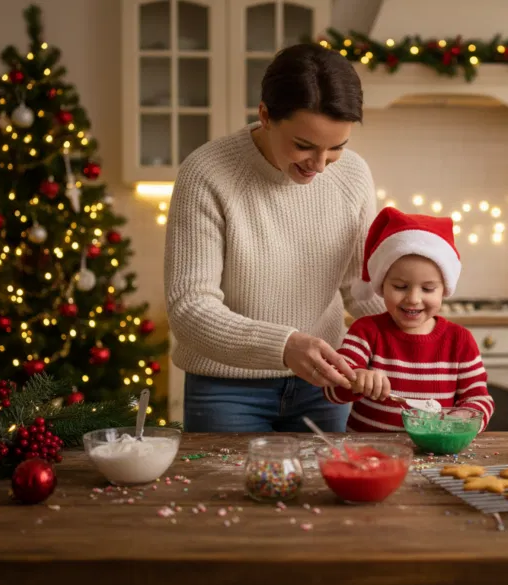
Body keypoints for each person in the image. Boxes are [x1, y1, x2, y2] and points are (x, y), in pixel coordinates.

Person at [164, 43, 385, 433]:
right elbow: (189, 308)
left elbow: (360, 288)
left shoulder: (353, 175)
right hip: (226, 391)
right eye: (304, 146)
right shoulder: (206, 174)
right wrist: (284, 346)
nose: (319, 165)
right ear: (265, 115)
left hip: (327, 385)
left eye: (336, 147)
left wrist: (425, 334)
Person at [323, 207, 495, 431]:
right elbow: (332, 390)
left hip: (434, 454)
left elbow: (479, 398)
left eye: (428, 288)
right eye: (400, 286)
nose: (413, 299)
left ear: (444, 290)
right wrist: (356, 378)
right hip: (369, 455)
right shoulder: (365, 331)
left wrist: (465, 417)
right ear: (382, 285)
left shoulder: (460, 340)